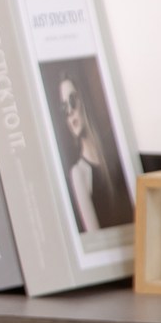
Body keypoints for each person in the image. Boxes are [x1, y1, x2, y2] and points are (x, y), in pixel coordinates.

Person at [58, 74, 131, 232]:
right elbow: (96, 236)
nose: (70, 112)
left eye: (72, 101)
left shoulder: (115, 154)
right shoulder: (79, 173)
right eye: (64, 108)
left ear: (83, 99)